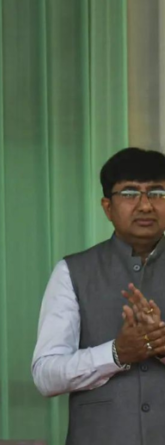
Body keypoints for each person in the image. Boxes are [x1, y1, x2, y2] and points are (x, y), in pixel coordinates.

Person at [33, 147, 165, 444]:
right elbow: (46, 375)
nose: (145, 205)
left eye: (157, 193)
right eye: (130, 193)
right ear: (107, 207)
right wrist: (116, 354)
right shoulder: (72, 272)